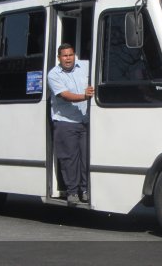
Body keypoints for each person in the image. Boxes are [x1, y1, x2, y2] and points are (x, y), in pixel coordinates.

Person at [47, 43, 94, 205]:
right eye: (64, 56)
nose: (68, 58)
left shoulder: (86, 66)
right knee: (70, 159)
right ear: (59, 58)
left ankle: (86, 189)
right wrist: (85, 96)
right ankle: (72, 192)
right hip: (65, 123)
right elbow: (65, 96)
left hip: (85, 121)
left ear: (75, 55)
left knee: (86, 157)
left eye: (70, 55)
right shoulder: (53, 75)